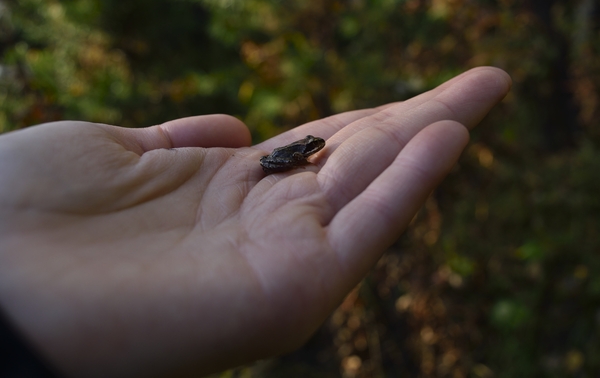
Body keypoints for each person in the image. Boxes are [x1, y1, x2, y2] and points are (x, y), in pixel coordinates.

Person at [0, 67, 511, 377]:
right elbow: (281, 157)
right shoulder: (294, 155)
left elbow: (304, 149)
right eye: (314, 147)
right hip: (271, 165)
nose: (317, 148)